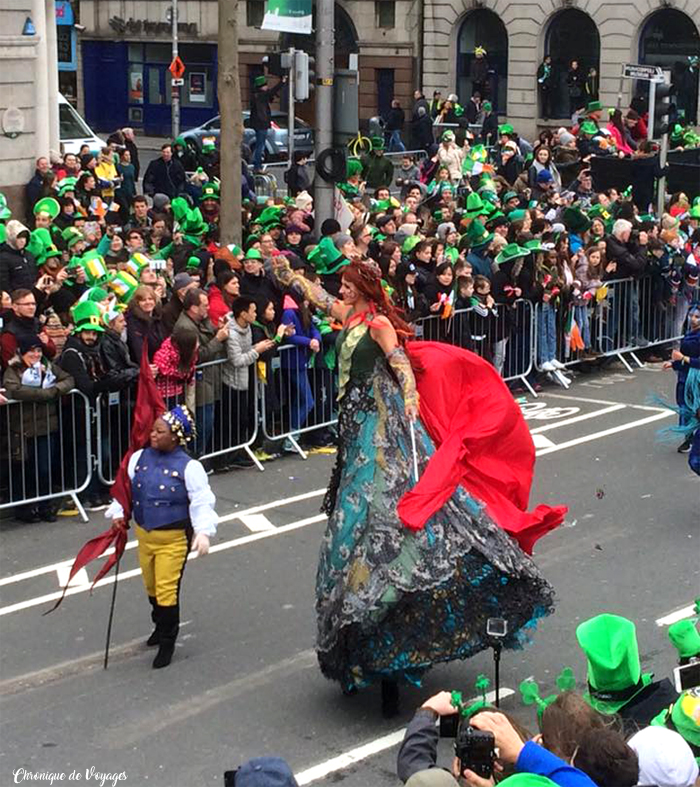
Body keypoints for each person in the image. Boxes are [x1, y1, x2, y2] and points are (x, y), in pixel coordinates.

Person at [271, 256, 564, 714]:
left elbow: (400, 363)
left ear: (364, 289)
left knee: (387, 524)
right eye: (341, 286)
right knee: (349, 534)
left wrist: (409, 395)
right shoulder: (350, 315)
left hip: (382, 432)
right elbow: (319, 297)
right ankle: (360, 649)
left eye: (348, 286)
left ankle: (388, 652)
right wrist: (286, 274)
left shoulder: (379, 323)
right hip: (354, 435)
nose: (341, 292)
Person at [106, 406, 217, 668]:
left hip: (173, 540)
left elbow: (201, 501)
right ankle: (159, 625)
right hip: (145, 536)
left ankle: (168, 640)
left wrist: (203, 532)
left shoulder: (190, 467)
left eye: (160, 431)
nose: (153, 435)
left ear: (175, 436)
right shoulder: (139, 458)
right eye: (153, 430)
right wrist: (120, 512)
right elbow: (127, 490)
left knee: (167, 590)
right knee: (151, 586)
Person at [3, 333, 75, 522]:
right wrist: (43, 394)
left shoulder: (48, 367)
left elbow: (68, 379)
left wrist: (54, 390)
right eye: (31, 351)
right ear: (22, 353)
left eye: (38, 351)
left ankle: (45, 507)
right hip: (24, 429)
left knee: (45, 468)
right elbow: (14, 389)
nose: (35, 355)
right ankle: (25, 509)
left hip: (47, 426)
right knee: (26, 470)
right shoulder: (13, 370)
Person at [249, 74, 286, 172]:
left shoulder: (256, 96)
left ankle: (256, 164)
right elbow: (273, 91)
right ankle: (257, 166)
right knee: (260, 145)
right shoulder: (261, 95)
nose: (267, 87)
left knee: (259, 144)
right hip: (261, 124)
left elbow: (270, 95)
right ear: (262, 86)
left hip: (258, 124)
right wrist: (282, 82)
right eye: (265, 85)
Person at [538, 56, 553, 121]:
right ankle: (544, 114)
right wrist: (542, 84)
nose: (549, 61)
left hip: (550, 86)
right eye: (548, 59)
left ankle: (550, 114)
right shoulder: (542, 67)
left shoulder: (551, 67)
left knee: (550, 100)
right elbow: (539, 76)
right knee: (544, 101)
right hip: (544, 86)